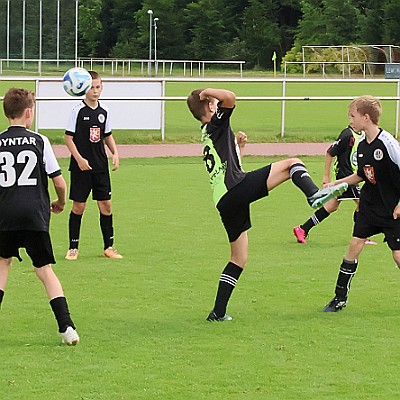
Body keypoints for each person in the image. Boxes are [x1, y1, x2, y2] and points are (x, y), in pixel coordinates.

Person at [186, 87, 348, 321]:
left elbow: (228, 166)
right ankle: (313, 195)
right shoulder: (216, 123)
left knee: (238, 258)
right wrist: (207, 92)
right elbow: (230, 97)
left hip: (224, 200)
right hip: (235, 190)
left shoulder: (208, 132)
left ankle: (217, 312)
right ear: (211, 106)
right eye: (213, 102)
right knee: (293, 163)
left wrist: (239, 147)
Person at [0, 88, 79, 345]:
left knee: (3, 264)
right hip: (35, 215)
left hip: (5, 215)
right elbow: (59, 182)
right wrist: (60, 202)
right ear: (29, 112)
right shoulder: (39, 141)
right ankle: (67, 327)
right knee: (44, 270)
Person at [323, 95, 400, 312]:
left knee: (398, 255)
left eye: (353, 115)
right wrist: (335, 184)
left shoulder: (388, 143)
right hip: (369, 207)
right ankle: (339, 299)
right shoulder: (362, 146)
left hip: (392, 210)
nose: (350, 120)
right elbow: (361, 175)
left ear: (366, 117)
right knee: (354, 247)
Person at [65, 70, 122, 260]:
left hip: (100, 167)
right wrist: (79, 159)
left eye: (98, 87)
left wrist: (115, 153)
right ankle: (73, 248)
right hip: (81, 168)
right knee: (79, 206)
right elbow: (68, 138)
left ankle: (109, 247)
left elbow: (107, 135)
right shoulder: (77, 111)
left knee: (106, 205)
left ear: (102, 87)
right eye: (91, 87)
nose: (95, 91)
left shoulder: (104, 111)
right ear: (84, 88)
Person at [293, 125, 377, 245]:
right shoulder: (347, 135)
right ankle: (361, 237)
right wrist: (326, 176)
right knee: (362, 203)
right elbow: (329, 153)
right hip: (344, 177)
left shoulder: (362, 134)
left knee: (332, 206)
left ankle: (303, 229)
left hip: (350, 177)